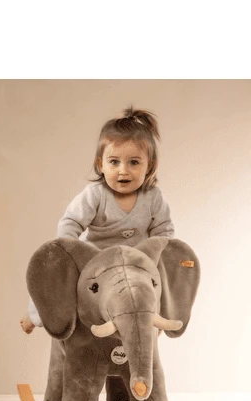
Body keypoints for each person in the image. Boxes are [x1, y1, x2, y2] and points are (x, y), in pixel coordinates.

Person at [20, 107, 174, 334]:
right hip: (96, 264)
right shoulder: (96, 194)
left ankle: (163, 318)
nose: (124, 171)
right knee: (57, 273)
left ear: (149, 165)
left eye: (134, 162)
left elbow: (164, 231)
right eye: (114, 162)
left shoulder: (152, 197)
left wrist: (155, 255)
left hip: (134, 266)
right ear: (101, 164)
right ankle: (38, 314)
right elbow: (70, 223)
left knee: (168, 273)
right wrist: (71, 251)